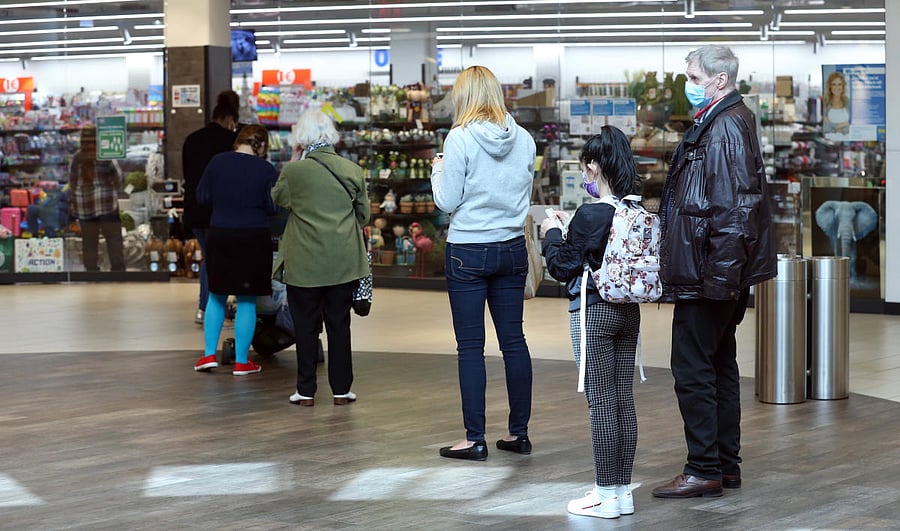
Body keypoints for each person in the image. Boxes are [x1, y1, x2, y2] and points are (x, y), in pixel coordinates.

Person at [651, 45, 776, 498]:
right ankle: (724, 466)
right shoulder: (725, 119)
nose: (688, 84)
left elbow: (737, 206)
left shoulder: (724, 126)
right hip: (716, 270)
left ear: (719, 79)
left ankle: (703, 467)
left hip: (710, 273)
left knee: (692, 369)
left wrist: (721, 280)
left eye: (693, 77)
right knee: (719, 364)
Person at [430, 65, 536, 461]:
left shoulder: (459, 139)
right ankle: (518, 434)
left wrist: (438, 169)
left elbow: (447, 201)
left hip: (468, 251)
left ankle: (475, 438)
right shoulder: (524, 139)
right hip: (511, 247)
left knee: (470, 347)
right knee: (514, 342)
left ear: (464, 97)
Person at [540, 126, 641, 519]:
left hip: (593, 312)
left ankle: (603, 494)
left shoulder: (592, 212)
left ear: (595, 166)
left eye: (586, 167)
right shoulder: (634, 209)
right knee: (622, 401)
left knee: (600, 402)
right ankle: (621, 491)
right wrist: (571, 232)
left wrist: (552, 234)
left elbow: (563, 266)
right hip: (628, 311)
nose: (585, 175)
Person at [272, 108, 370, 406]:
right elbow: (363, 216)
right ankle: (341, 390)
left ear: (301, 138)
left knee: (305, 326)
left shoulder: (294, 172)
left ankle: (305, 391)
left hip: (304, 263)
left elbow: (279, 199)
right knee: (340, 325)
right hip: (342, 261)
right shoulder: (351, 170)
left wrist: (292, 159)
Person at [192, 124, 278, 376]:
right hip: (253, 236)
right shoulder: (266, 169)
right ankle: (242, 361)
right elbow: (273, 206)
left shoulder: (217, 162)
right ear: (261, 145)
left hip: (221, 233)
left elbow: (202, 197)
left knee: (216, 296)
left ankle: (208, 354)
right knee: (247, 300)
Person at [181, 90, 239, 325]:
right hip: (220, 212)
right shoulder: (229, 142)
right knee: (216, 260)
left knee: (210, 257)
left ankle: (208, 307)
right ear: (229, 119)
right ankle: (207, 307)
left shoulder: (192, 139)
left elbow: (187, 176)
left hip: (195, 210)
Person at [68, 126, 125, 272]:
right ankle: (117, 270)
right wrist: (116, 190)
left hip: (84, 206)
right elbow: (118, 177)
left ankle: (92, 271)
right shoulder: (105, 154)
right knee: (113, 239)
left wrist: (74, 204)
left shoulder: (77, 158)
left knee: (89, 241)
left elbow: (72, 183)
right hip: (107, 205)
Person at [823, 71, 850, 136]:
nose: (837, 87)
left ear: (843, 86)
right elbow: (825, 128)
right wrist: (841, 125)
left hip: (846, 140)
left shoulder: (848, 102)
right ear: (830, 86)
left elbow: (852, 125)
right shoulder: (825, 103)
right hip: (829, 141)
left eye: (839, 84)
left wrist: (834, 127)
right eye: (834, 84)